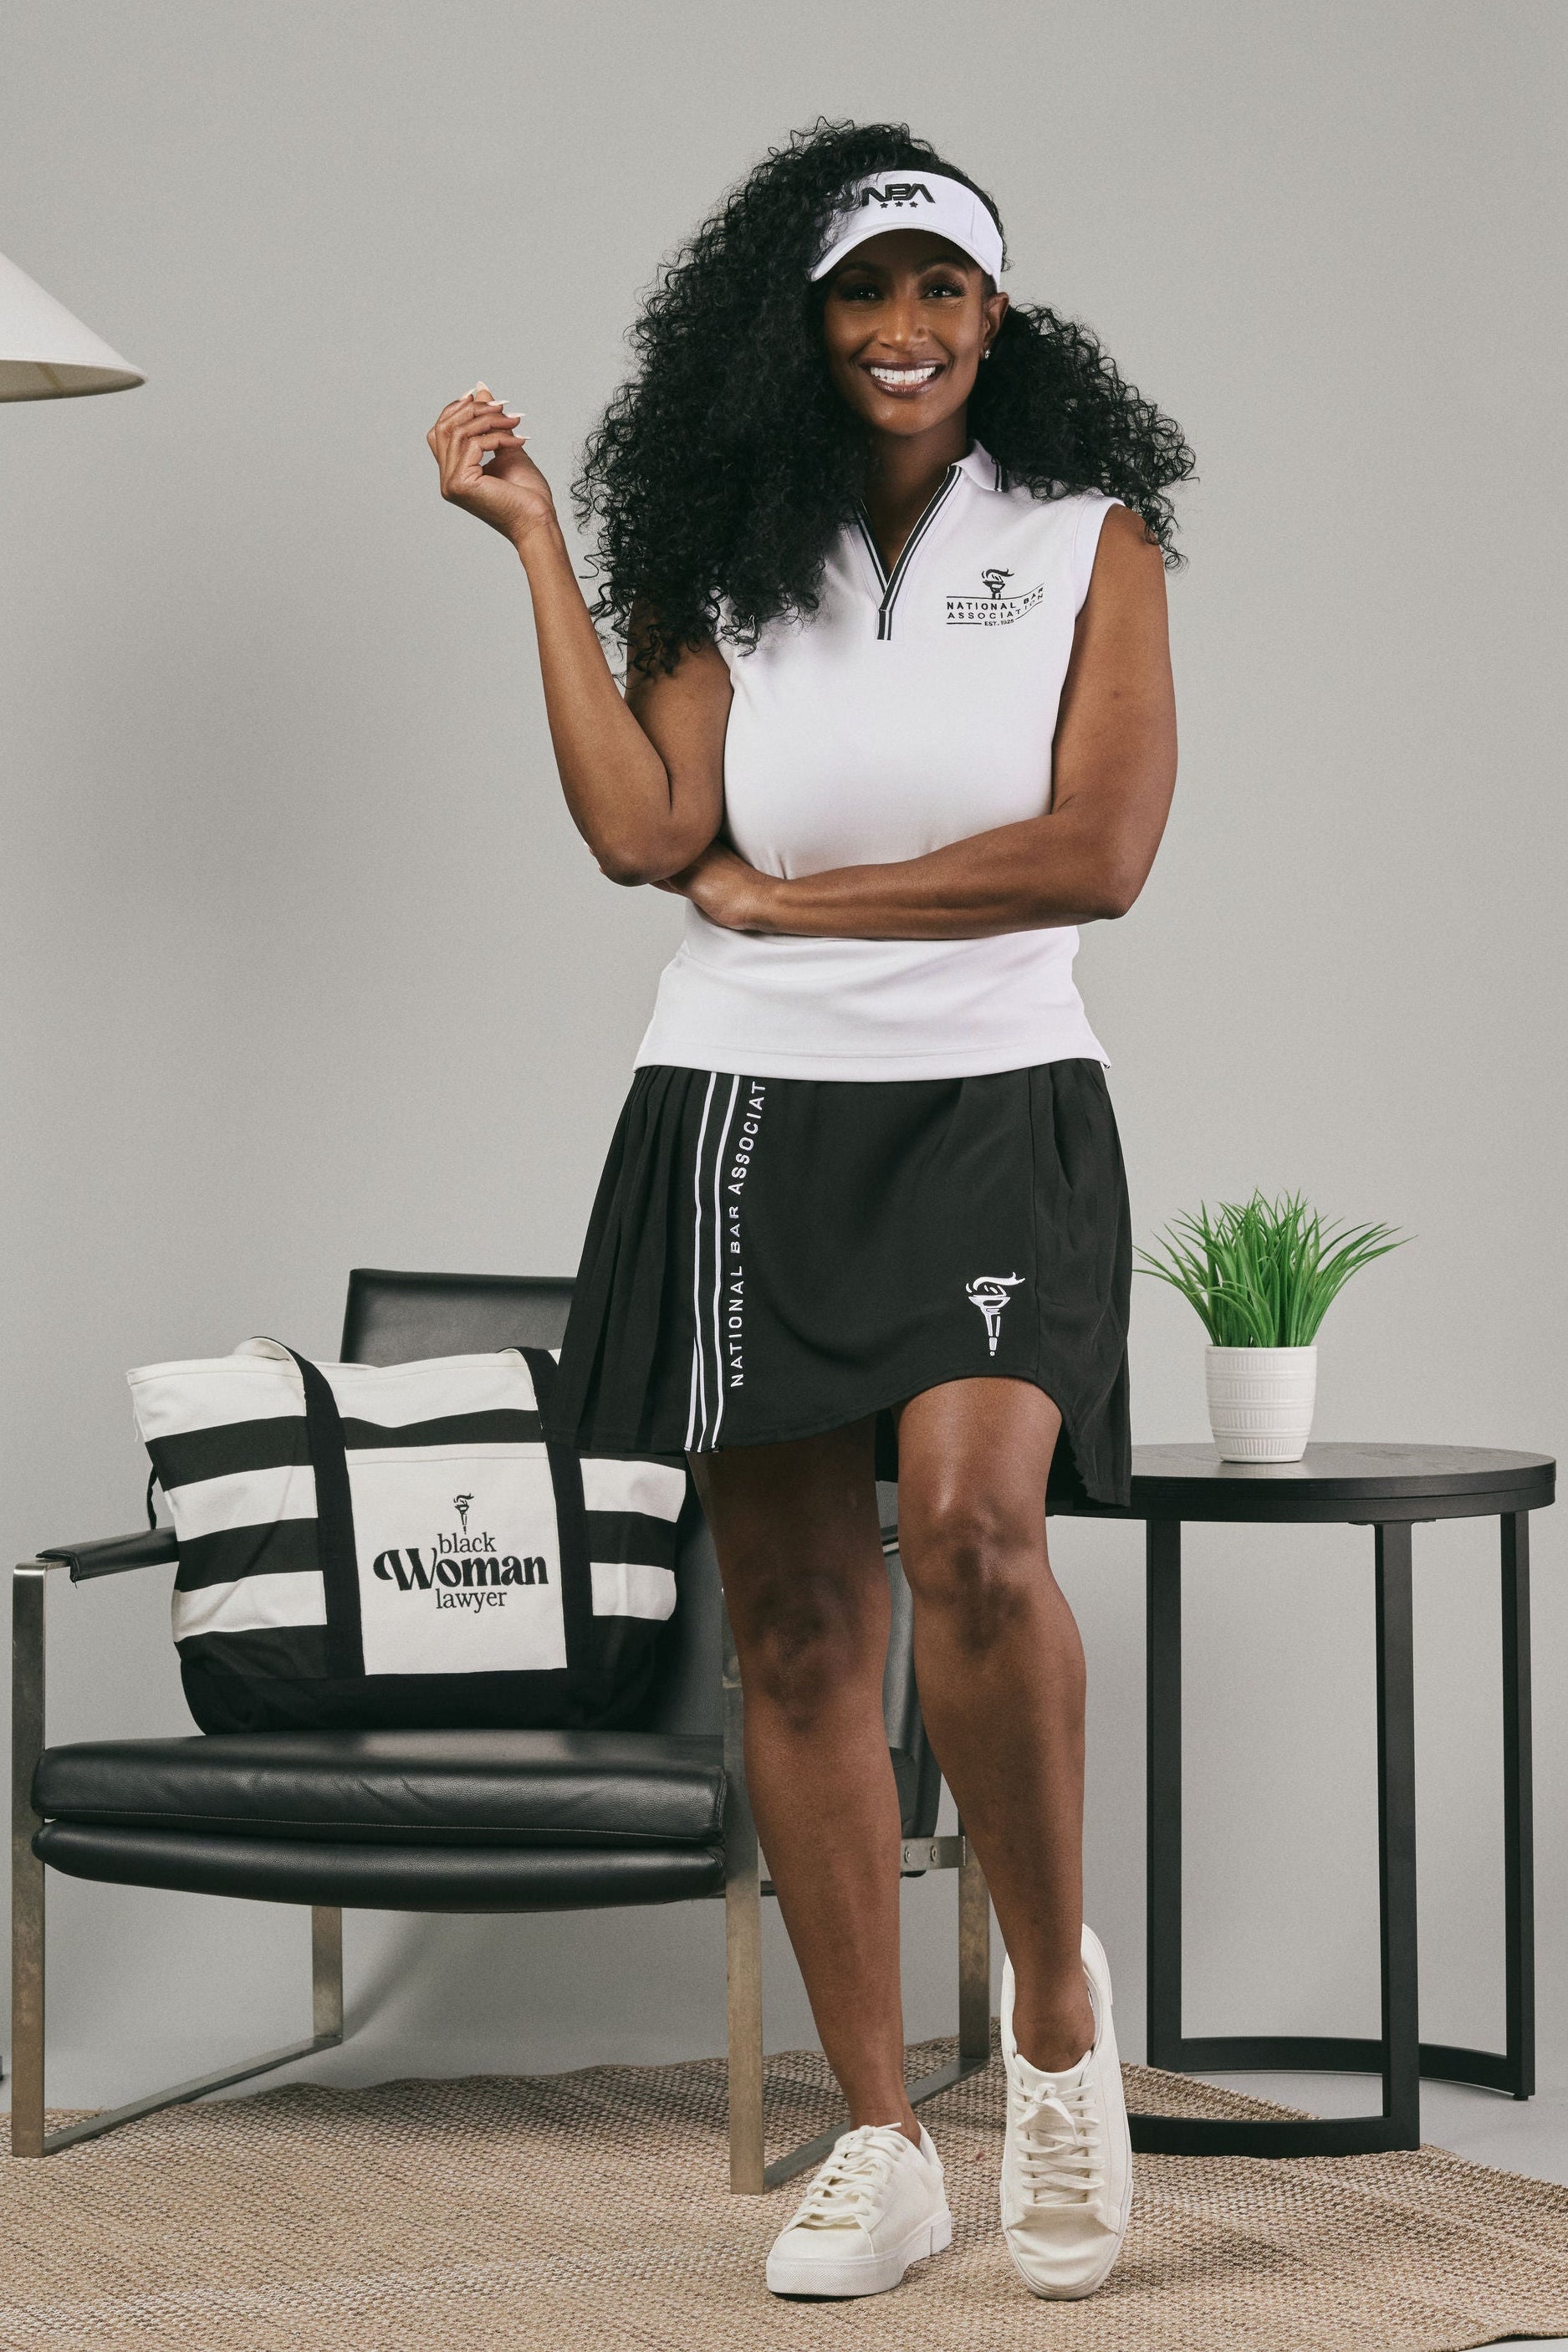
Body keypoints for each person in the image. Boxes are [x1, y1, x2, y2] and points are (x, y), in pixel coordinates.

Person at [428, 120, 1189, 2303]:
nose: (903, 331)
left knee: (968, 1530)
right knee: (786, 1625)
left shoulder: (1079, 536)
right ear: (804, 323)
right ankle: (881, 2130)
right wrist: (541, 547)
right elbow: (644, 825)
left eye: (942, 290)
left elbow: (1100, 844)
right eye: (865, 294)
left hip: (992, 1094)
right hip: (741, 1097)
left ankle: (1049, 2016)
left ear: (996, 317)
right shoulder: (729, 555)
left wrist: (812, 899)